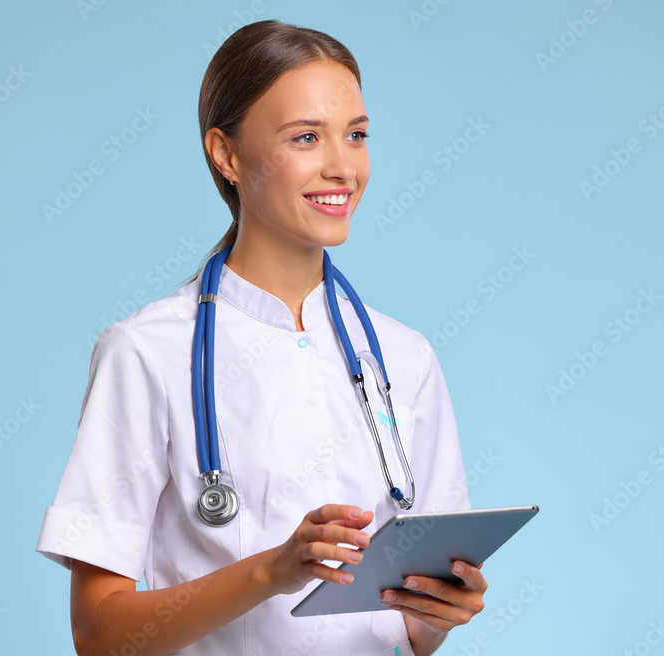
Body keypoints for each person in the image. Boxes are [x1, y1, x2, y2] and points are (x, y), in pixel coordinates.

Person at [35, 19, 487, 656]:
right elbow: (100, 634)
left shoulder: (404, 357)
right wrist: (271, 571)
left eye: (355, 136)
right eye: (306, 137)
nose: (343, 167)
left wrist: (440, 612)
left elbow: (411, 632)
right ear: (226, 154)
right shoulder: (147, 352)